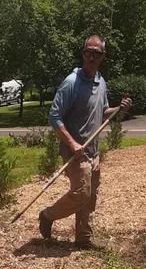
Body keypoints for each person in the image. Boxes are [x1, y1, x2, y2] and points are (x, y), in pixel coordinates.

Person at [39, 35, 131, 249]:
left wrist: (119, 109)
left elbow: (103, 112)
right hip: (74, 150)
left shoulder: (101, 82)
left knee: (90, 198)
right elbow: (54, 117)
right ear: (83, 54)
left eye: (96, 54)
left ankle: (83, 239)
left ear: (103, 56)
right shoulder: (72, 83)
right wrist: (72, 144)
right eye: (87, 52)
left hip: (93, 149)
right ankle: (47, 215)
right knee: (82, 193)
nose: (91, 57)